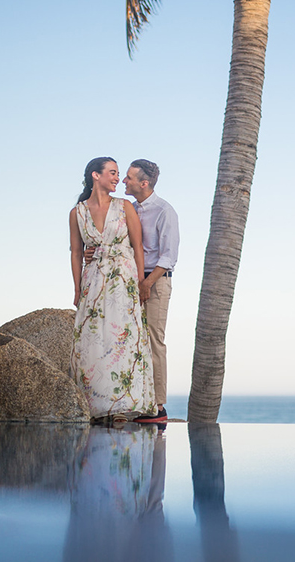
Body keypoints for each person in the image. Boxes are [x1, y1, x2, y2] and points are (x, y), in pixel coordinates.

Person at [69, 157, 157, 422]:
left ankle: (126, 403)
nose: (117, 178)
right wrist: (77, 288)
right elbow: (75, 252)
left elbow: (138, 246)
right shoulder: (77, 212)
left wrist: (141, 282)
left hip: (124, 281)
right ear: (95, 175)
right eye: (112, 173)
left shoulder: (125, 206)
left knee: (124, 337)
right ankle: (95, 404)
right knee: (93, 339)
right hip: (93, 281)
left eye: (119, 174)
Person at [121, 159, 179, 423]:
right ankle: (133, 400)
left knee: (155, 340)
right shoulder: (128, 210)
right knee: (130, 340)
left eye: (129, 178)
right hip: (130, 281)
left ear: (144, 183)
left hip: (156, 281)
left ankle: (158, 407)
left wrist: (147, 283)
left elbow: (169, 256)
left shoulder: (165, 211)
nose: (124, 181)